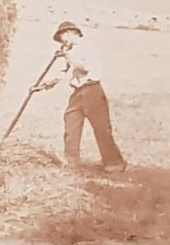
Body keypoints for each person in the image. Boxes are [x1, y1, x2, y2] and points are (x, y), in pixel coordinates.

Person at [36, 20, 126, 172]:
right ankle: (71, 162)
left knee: (101, 129)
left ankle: (115, 163)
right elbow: (61, 73)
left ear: (71, 33)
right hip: (77, 93)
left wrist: (67, 55)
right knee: (70, 124)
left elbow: (85, 67)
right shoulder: (71, 51)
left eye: (62, 37)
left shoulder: (87, 47)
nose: (62, 41)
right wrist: (45, 85)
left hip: (92, 91)